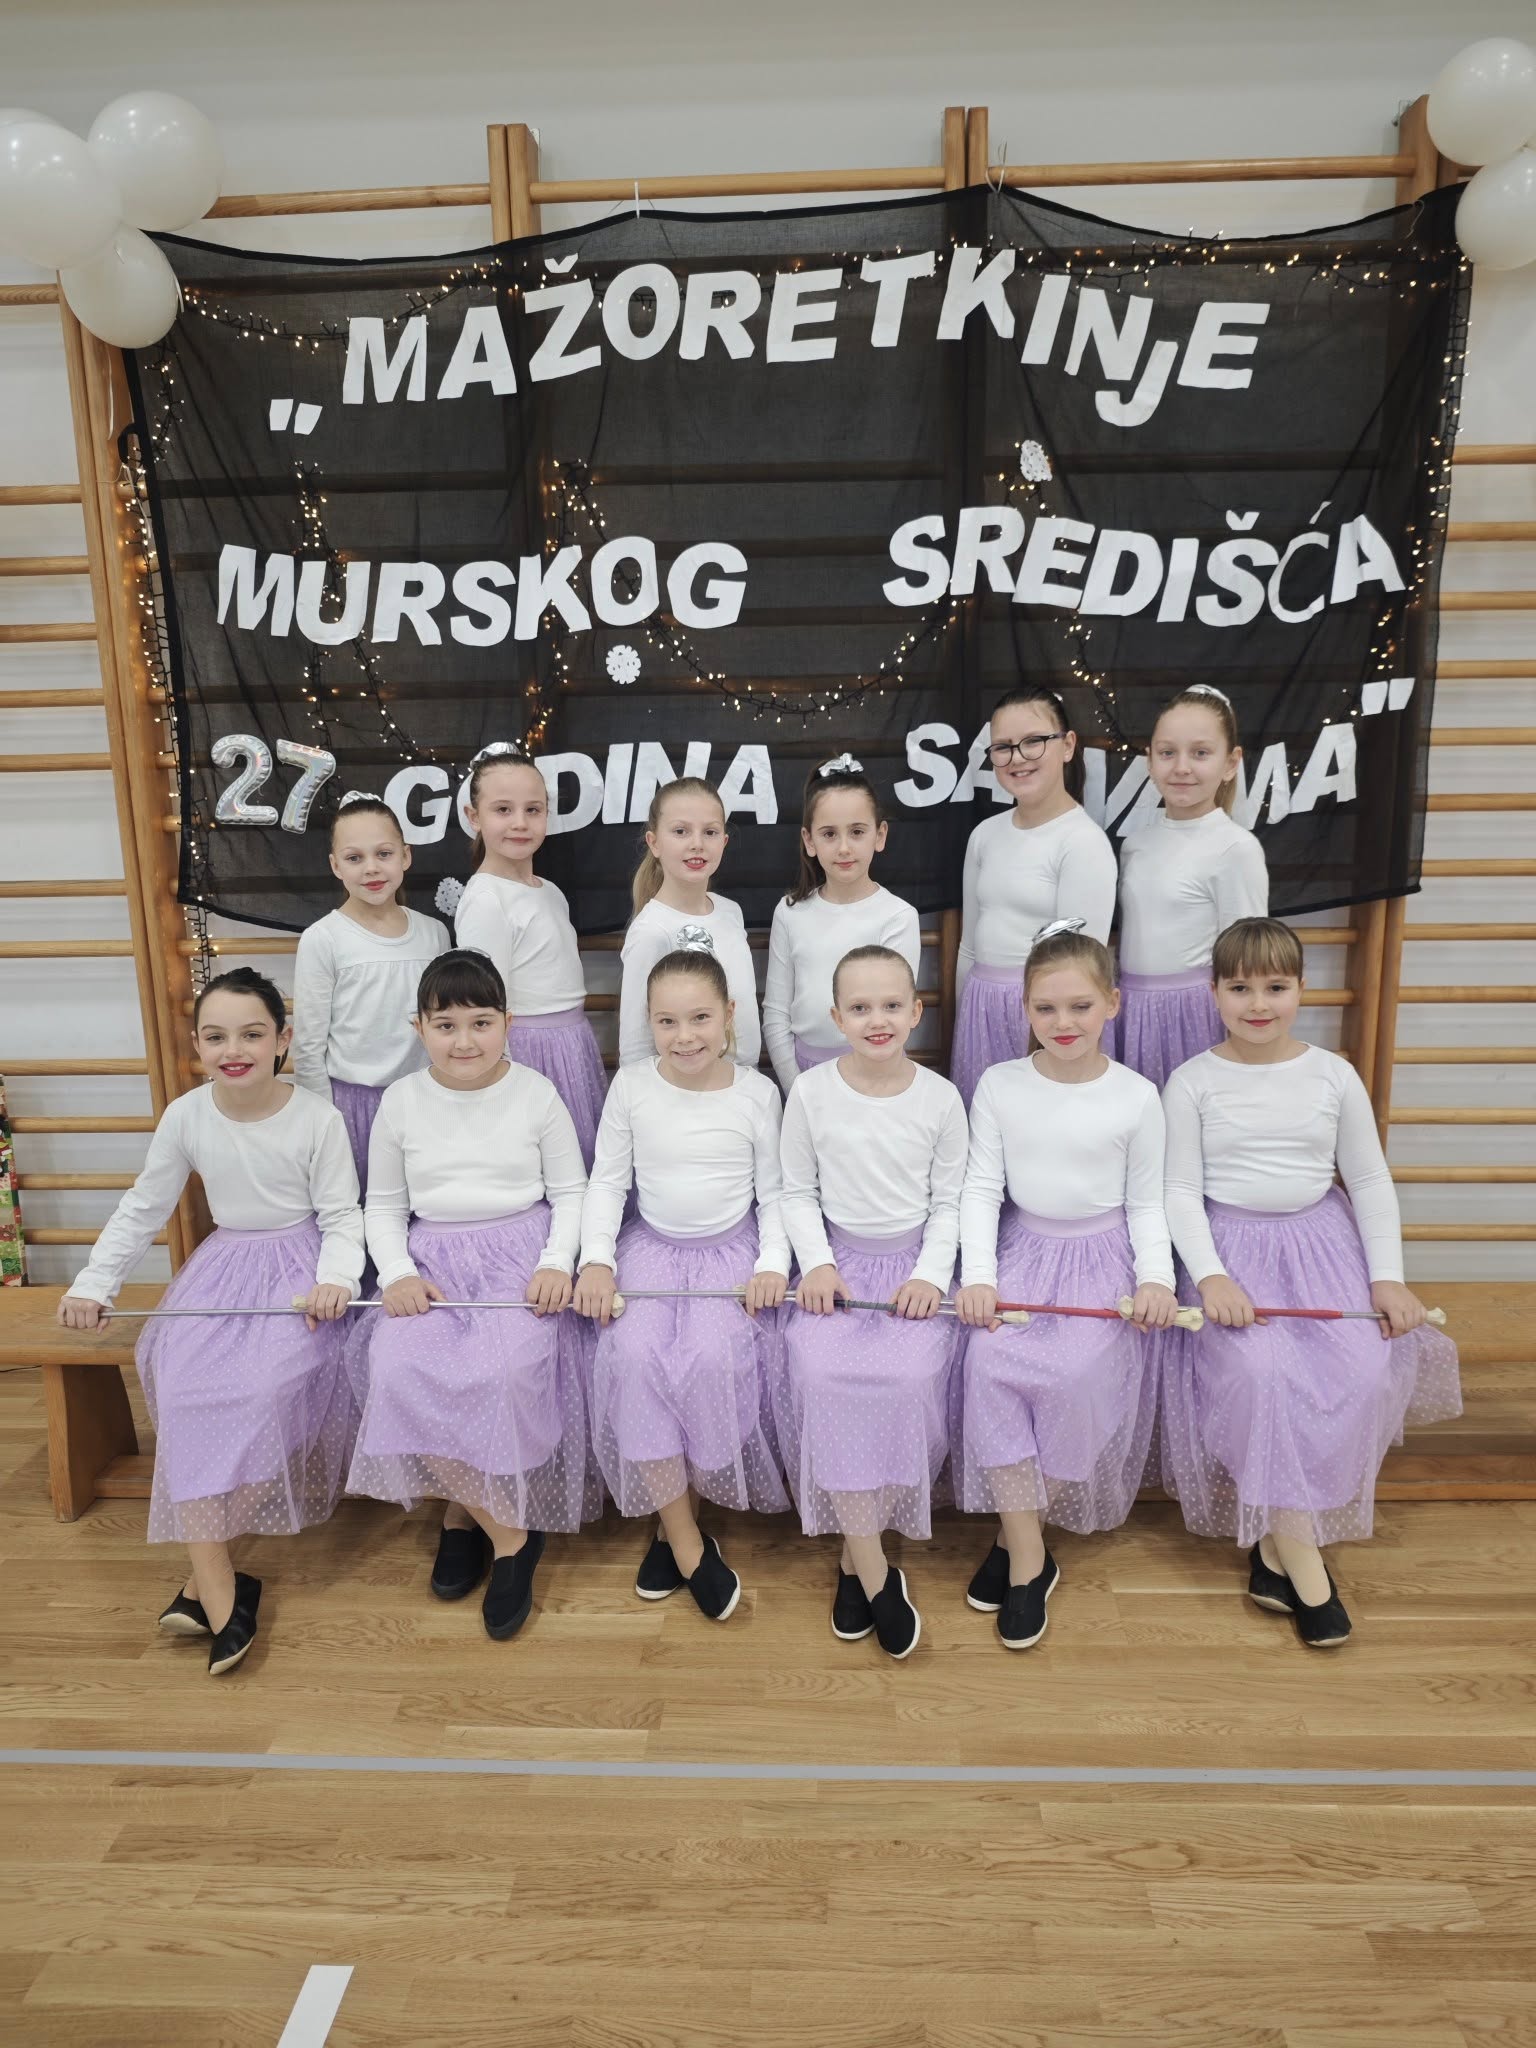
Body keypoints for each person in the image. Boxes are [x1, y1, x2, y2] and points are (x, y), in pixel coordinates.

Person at [1158, 916, 1462, 1647]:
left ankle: (1274, 1546)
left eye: (1276, 987)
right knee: (1262, 1377)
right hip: (1232, 1255)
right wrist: (1211, 1276)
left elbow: (1368, 1179)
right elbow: (1179, 1191)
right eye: (1240, 988)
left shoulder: (1333, 1075)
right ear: (1214, 992)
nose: (1258, 1004)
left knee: (1361, 1371)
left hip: (1322, 1248)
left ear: (1301, 988)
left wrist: (1387, 1279)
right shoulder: (1192, 1080)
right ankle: (1308, 1571)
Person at [56, 967, 363, 1677]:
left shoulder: (317, 1118)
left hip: (300, 1273)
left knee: (264, 1393)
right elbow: (144, 1206)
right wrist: (94, 1282)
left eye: (252, 1034)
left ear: (282, 1040)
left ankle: (208, 1584)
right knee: (183, 1387)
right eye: (217, 1037)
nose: (235, 1050)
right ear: (196, 1044)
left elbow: (342, 1216)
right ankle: (222, 1582)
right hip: (223, 1270)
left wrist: (337, 1281)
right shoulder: (187, 1115)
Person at [345, 950, 596, 1643]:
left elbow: (571, 1191)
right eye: (445, 1025)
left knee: (505, 1371)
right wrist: (396, 1271)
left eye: (481, 1023)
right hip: (433, 1263)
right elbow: (383, 1206)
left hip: (520, 1257)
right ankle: (510, 1534)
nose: (464, 1041)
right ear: (419, 1028)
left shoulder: (536, 1093)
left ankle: (462, 1514)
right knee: (397, 1368)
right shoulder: (401, 1101)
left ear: (507, 1023)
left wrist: (556, 1261)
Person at [955, 923, 1177, 1650]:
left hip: (1102, 1264)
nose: (1064, 1023)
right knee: (990, 1366)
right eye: (1046, 1008)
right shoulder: (1000, 1085)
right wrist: (980, 1277)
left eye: (1080, 1006)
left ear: (1112, 1003)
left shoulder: (1137, 1096)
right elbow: (981, 1188)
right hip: (1024, 1255)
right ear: (1024, 1009)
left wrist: (1155, 1278)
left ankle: (1017, 1543)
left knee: (1074, 1379)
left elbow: (1147, 1203)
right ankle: (1029, 1556)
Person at [574, 948, 790, 1622]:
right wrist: (596, 1260)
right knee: (637, 1358)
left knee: (706, 1360)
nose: (685, 1036)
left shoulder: (756, 1094)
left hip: (730, 1256)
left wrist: (772, 1263)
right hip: (652, 1253)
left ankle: (675, 1525)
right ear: (649, 1022)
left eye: (700, 1018)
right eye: (667, 1021)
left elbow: (776, 1194)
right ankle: (688, 1542)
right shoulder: (633, 1087)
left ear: (729, 1016)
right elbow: (608, 1182)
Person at [774, 945, 968, 1658]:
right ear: (836, 1018)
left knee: (909, 1380)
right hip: (839, 1270)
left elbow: (948, 1202)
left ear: (916, 1011)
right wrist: (818, 1263)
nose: (876, 1019)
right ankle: (877, 1571)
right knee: (823, 1376)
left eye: (891, 1005)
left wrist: (929, 1275)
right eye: (859, 1007)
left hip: (913, 1273)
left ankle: (855, 1557)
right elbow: (797, 1191)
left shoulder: (941, 1098)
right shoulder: (811, 1093)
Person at [952, 688, 1118, 1106]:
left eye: (1033, 742)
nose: (1018, 758)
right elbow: (969, 946)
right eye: (1004, 747)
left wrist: (1049, 1017)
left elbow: (1082, 967)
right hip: (980, 1010)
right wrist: (963, 1021)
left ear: (1067, 745)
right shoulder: (984, 836)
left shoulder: (1082, 842)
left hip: (1046, 1015)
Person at [453, 741, 607, 1167]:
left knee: (578, 1160)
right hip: (527, 1051)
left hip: (571, 1042)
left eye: (533, 810)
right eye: (503, 810)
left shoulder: (550, 891)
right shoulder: (486, 900)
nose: (520, 823)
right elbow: (483, 1004)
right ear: (474, 817)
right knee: (542, 1162)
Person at [1111, 686, 1268, 1087]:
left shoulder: (1236, 848)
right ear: (1150, 760)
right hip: (1131, 1009)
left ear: (1230, 763)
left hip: (1195, 1016)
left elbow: (1248, 959)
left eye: (1200, 753)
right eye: (1168, 753)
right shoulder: (1136, 845)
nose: (1181, 767)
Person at [292, 795, 448, 1195]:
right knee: (363, 1207)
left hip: (423, 1100)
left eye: (384, 854)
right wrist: (321, 1123)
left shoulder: (434, 934)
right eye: (354, 858)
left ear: (405, 856)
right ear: (335, 866)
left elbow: (445, 1023)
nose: (371, 868)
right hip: (352, 1107)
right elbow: (309, 1046)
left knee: (423, 1204)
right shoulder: (323, 939)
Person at [761, 756, 921, 1094]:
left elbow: (894, 1017)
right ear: (809, 840)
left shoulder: (898, 917)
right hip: (803, 1075)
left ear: (879, 835)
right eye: (829, 834)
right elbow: (776, 1014)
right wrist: (798, 1089)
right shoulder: (790, 913)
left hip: (876, 1073)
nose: (844, 848)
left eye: (857, 832)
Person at [618, 776, 760, 1071]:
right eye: (681, 831)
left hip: (742, 1082)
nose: (697, 844)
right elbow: (635, 1046)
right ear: (654, 842)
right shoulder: (651, 931)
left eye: (710, 832)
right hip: (686, 1086)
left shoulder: (730, 911)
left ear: (724, 841)